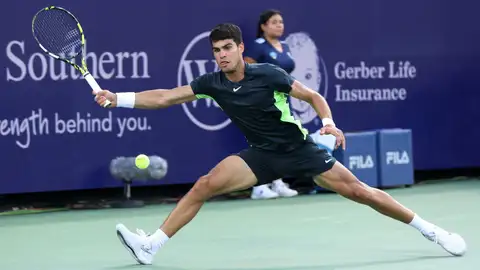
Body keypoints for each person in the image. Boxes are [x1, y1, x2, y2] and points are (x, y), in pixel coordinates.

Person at [94, 23, 466, 265]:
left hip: (300, 151)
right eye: (216, 51)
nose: (221, 55)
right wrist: (118, 98)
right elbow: (165, 97)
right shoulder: (211, 83)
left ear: (241, 48)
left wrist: (329, 124)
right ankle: (152, 245)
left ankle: (432, 231)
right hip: (262, 156)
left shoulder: (268, 74)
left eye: (227, 48)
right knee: (204, 185)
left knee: (362, 193)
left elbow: (314, 97)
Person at [244, 9, 299, 199]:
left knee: (282, 141)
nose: (279, 25)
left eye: (281, 22)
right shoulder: (257, 47)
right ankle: (258, 186)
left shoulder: (285, 45)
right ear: (263, 27)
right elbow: (245, 73)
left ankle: (277, 182)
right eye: (274, 22)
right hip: (262, 100)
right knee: (264, 142)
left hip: (282, 101)